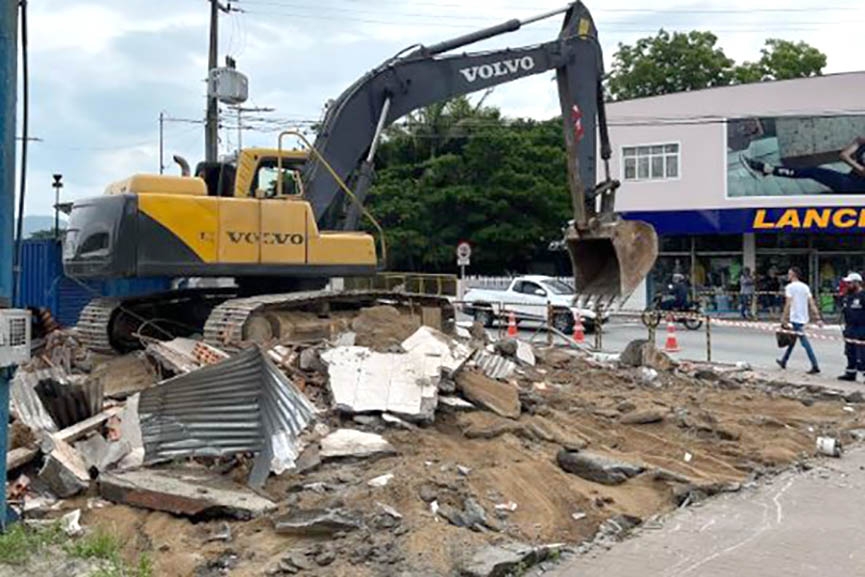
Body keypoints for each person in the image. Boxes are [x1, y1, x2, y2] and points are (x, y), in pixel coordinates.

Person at [741, 137, 865, 194]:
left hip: (855, 188)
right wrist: (858, 167)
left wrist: (856, 167)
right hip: (849, 178)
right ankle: (767, 170)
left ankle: (767, 169)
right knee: (812, 170)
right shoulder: (861, 140)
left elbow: (846, 157)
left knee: (813, 171)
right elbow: (843, 155)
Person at [777, 267, 822, 374]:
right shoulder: (805, 287)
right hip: (803, 318)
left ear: (794, 275)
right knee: (792, 340)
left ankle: (815, 364)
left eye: (789, 274)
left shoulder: (790, 287)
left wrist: (784, 317)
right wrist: (817, 317)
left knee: (804, 343)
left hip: (795, 318)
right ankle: (784, 360)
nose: (788, 276)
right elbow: (811, 303)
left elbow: (788, 303)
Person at [838, 272, 865, 381]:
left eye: (849, 283)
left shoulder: (863, 296)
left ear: (856, 283)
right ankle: (850, 372)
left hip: (861, 327)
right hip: (850, 327)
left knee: (862, 352)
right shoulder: (848, 296)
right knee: (849, 351)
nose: (847, 285)